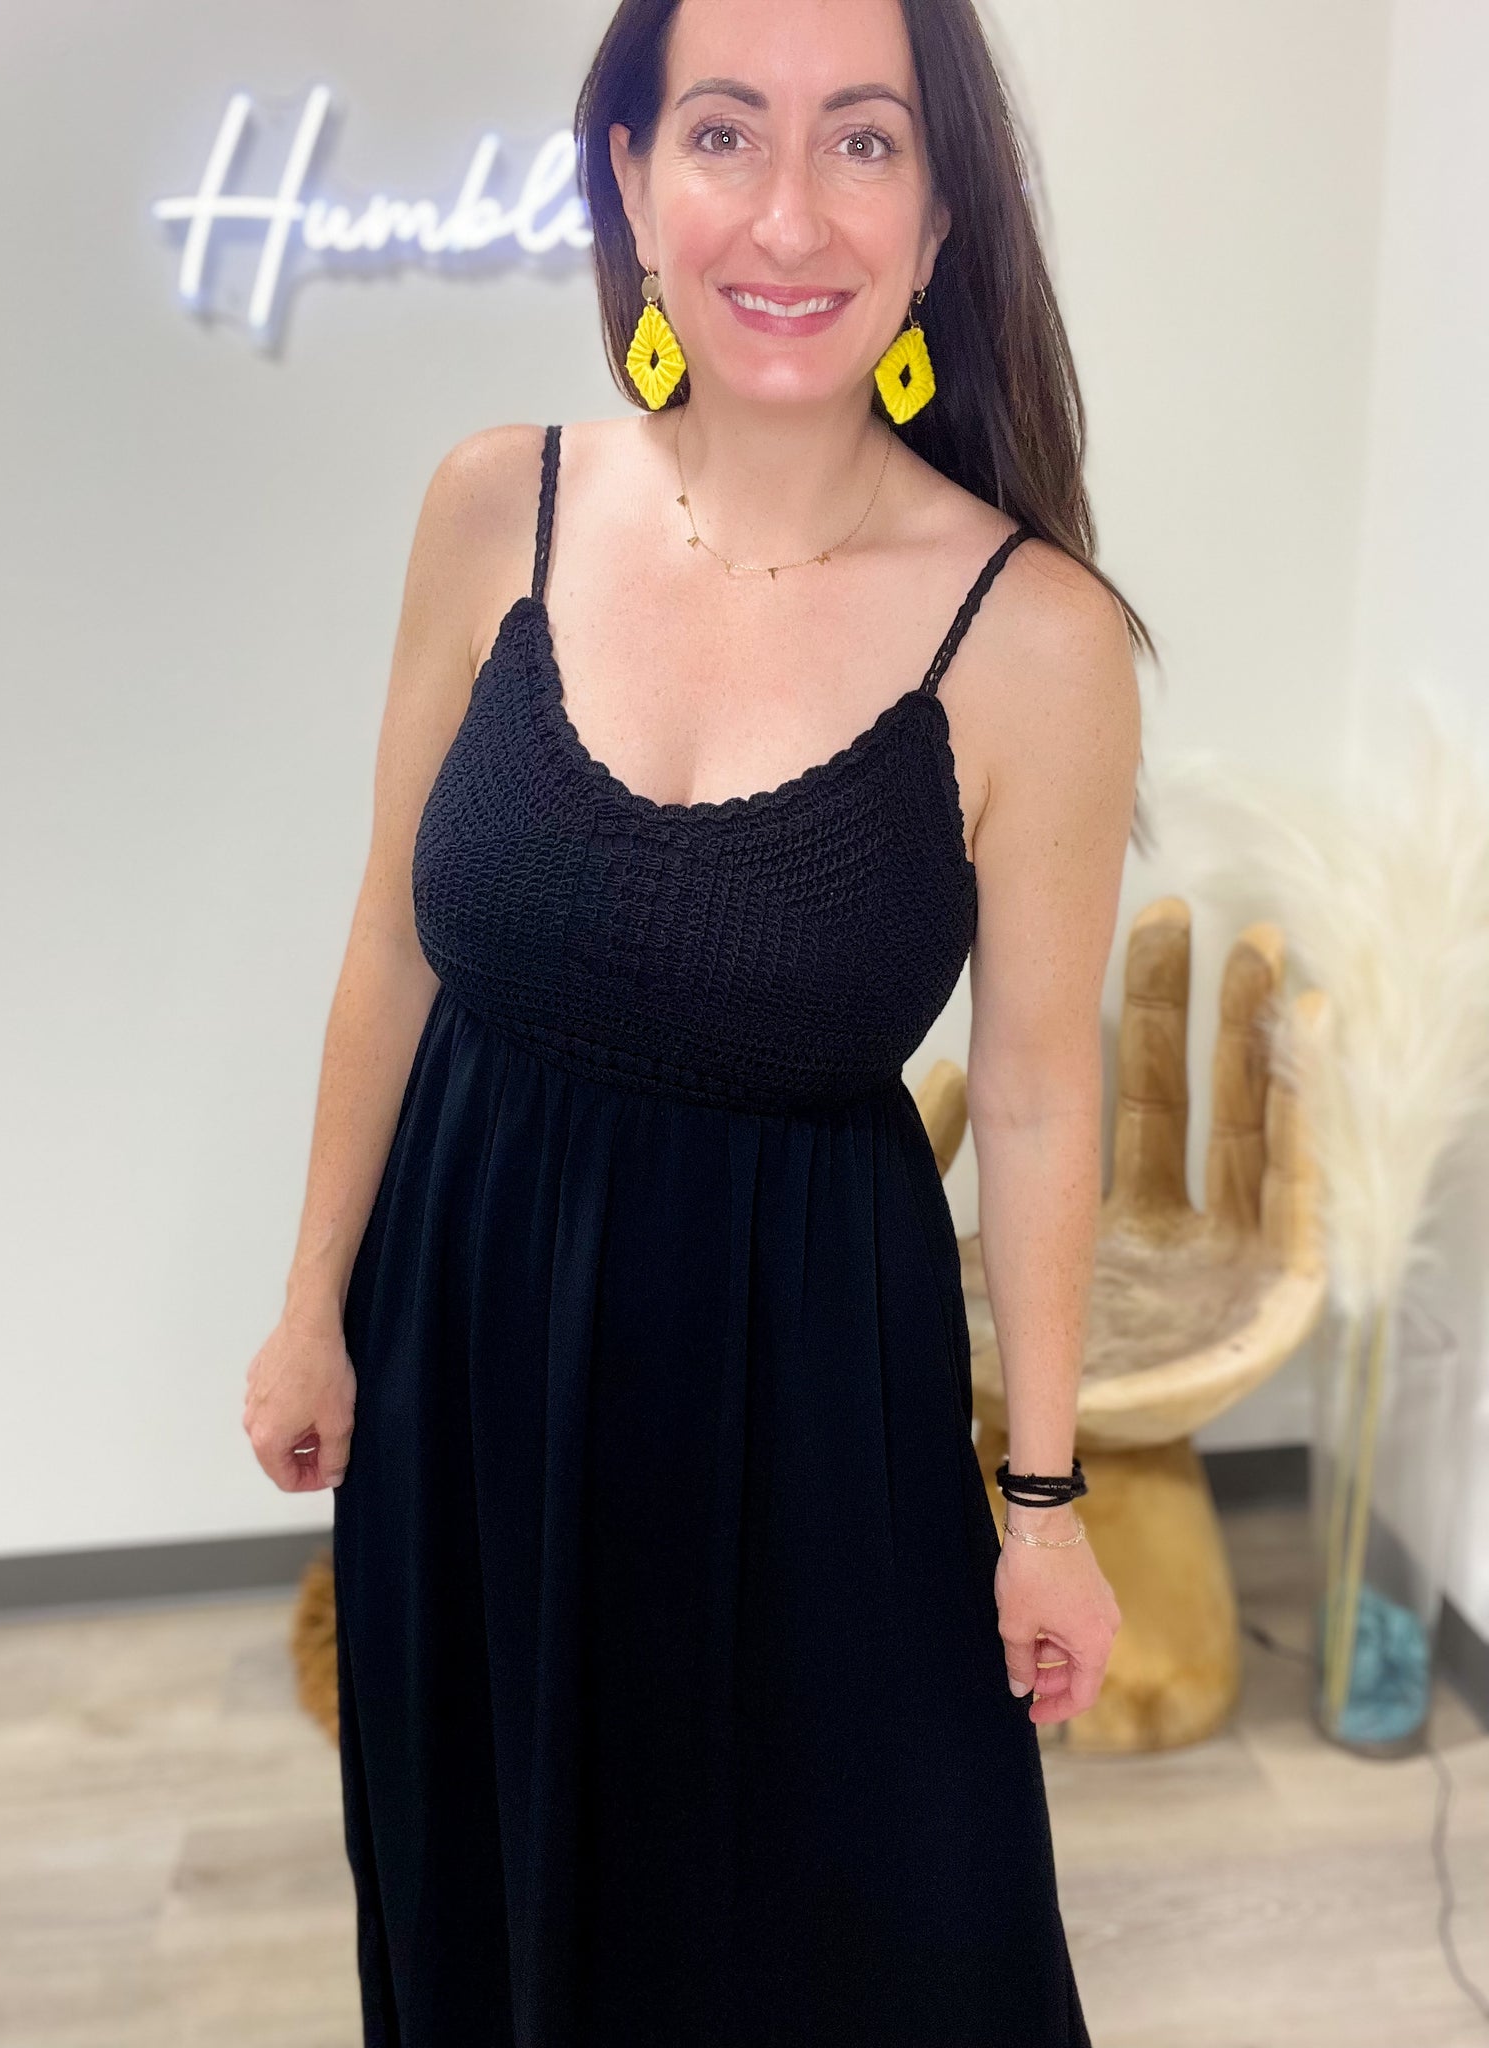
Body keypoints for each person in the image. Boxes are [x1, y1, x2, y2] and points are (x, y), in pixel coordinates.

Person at [243, 0, 1145, 2039]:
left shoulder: (1038, 639)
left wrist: (1046, 1506)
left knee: (845, 1946)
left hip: (801, 1415)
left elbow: (1035, 1096)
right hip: (463, 1366)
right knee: (486, 1914)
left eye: (865, 142)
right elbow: (393, 934)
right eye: (727, 132)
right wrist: (311, 1302)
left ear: (941, 217)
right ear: (634, 184)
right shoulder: (497, 506)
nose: (791, 214)